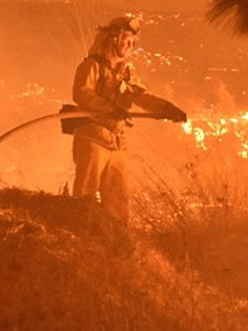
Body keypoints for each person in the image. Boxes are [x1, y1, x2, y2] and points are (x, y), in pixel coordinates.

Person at [71, 16, 187, 225]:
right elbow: (81, 93)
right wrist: (109, 109)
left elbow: (139, 96)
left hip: (116, 143)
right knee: (84, 196)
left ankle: (118, 242)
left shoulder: (126, 72)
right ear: (113, 38)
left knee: (119, 201)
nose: (128, 45)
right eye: (125, 39)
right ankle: (81, 237)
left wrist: (166, 108)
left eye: (132, 42)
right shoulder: (91, 66)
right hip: (92, 139)